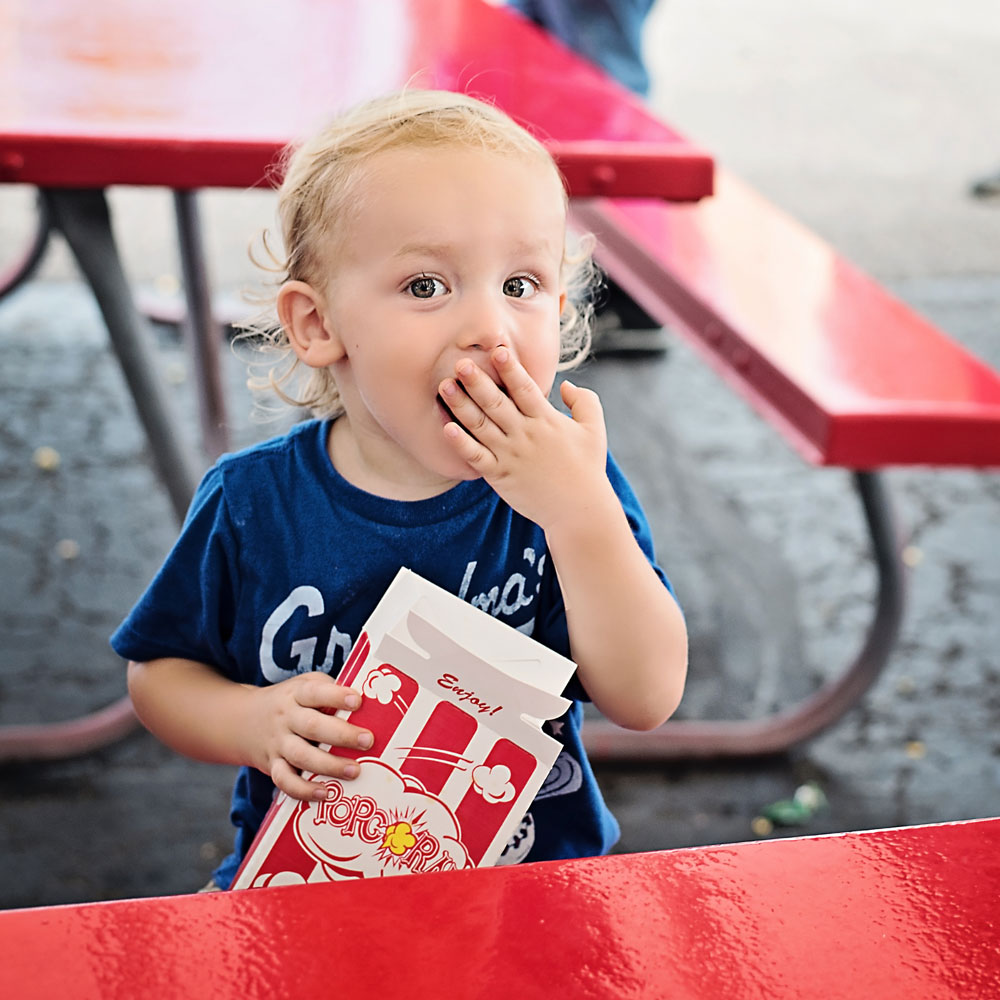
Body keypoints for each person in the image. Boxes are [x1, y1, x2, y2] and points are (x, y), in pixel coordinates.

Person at [111, 89, 688, 891]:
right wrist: (249, 721)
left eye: (520, 284)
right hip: (304, 890)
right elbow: (159, 674)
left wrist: (579, 516)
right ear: (317, 325)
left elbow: (647, 694)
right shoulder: (254, 504)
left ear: (560, 309)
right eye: (426, 286)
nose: (489, 327)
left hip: (530, 893)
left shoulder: (571, 489)